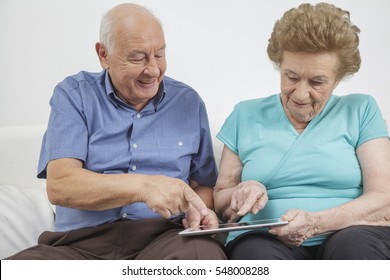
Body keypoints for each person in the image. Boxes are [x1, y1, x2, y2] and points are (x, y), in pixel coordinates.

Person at [6, 3, 226, 260]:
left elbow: (205, 186)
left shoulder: (188, 103)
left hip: (163, 239)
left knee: (202, 255)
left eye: (159, 54)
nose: (153, 70)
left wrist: (196, 209)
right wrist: (144, 186)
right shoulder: (74, 95)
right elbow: (61, 185)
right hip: (78, 245)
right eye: (137, 57)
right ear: (103, 54)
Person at [213, 2, 390, 260]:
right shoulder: (245, 114)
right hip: (264, 236)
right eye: (291, 77)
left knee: (354, 250)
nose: (300, 94)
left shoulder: (361, 110)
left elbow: (384, 197)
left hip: (351, 232)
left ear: (338, 79)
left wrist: (317, 223)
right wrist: (240, 193)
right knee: (257, 255)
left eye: (317, 82)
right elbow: (220, 201)